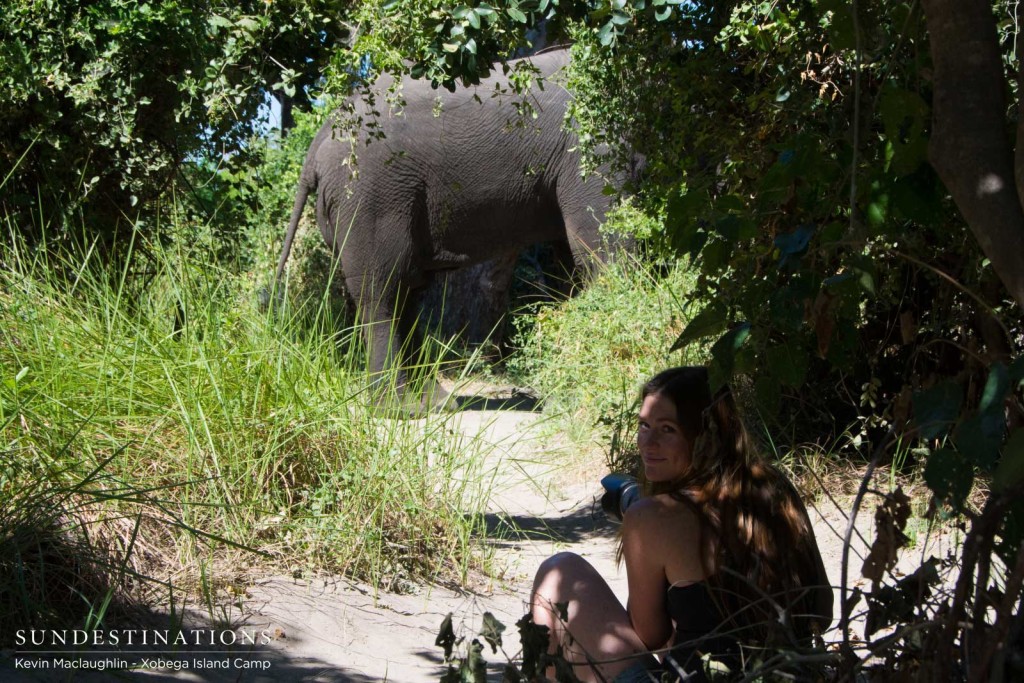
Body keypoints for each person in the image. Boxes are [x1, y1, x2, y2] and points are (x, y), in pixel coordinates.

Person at [530, 366, 833, 682]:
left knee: (560, 571)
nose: (648, 443)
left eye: (667, 429)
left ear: (707, 435)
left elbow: (649, 636)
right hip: (790, 673)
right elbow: (821, 613)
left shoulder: (651, 517)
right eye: (644, 425)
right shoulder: (776, 488)